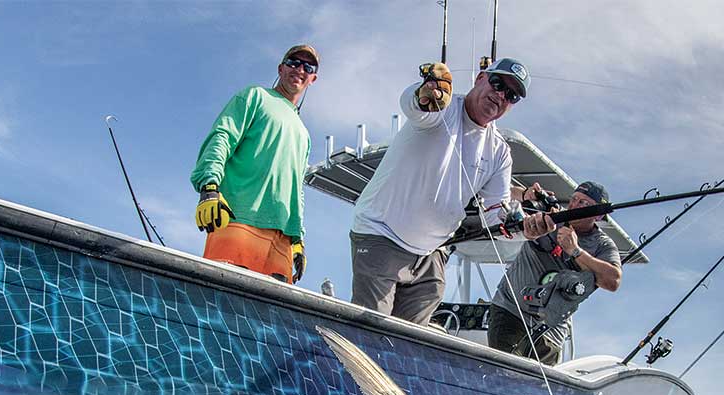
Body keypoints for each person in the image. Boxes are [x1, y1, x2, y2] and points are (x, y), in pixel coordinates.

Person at [349, 58, 555, 325]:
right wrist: (426, 93)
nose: (501, 95)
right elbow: (414, 105)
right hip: (382, 234)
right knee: (369, 331)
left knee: (408, 344)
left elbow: (496, 218)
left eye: (511, 95)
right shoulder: (443, 108)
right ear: (481, 77)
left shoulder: (500, 152)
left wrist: (527, 231)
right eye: (497, 83)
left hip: (431, 253)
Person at [190, 44, 318, 285]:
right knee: (224, 298)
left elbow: (297, 189)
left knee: (268, 315)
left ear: (313, 78)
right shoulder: (254, 96)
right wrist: (209, 187)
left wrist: (298, 238)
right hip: (238, 218)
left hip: (281, 237)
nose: (299, 69)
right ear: (281, 68)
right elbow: (222, 137)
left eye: (307, 66)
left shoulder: (304, 133)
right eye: (293, 62)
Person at [487, 180, 622, 365]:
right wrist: (527, 195)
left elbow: (613, 281)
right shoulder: (550, 217)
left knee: (537, 388)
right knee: (504, 370)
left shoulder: (602, 244)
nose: (575, 205)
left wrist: (575, 251)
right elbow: (503, 193)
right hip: (511, 310)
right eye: (574, 199)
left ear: (598, 215)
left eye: (584, 204)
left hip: (551, 330)